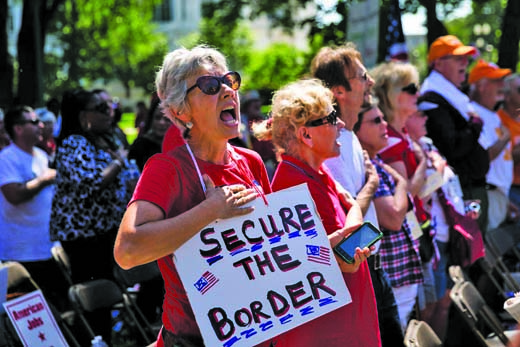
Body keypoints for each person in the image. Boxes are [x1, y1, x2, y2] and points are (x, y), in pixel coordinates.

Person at [114, 46, 272, 347]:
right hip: (194, 338)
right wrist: (210, 210)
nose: (227, 91)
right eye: (210, 86)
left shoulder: (251, 161)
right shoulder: (166, 168)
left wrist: (332, 252)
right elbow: (127, 250)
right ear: (179, 111)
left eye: (229, 81)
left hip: (260, 331)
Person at [253, 78, 380, 347]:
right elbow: (347, 254)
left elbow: (345, 246)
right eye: (331, 117)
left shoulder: (316, 173)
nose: (342, 125)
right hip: (327, 334)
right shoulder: (294, 187)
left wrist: (353, 213)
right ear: (306, 134)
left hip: (344, 324)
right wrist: (356, 206)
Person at [310, 43, 403, 346]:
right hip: (354, 273)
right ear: (339, 91)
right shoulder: (332, 146)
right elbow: (345, 219)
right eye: (362, 77)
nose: (371, 83)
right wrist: (371, 186)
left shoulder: (347, 137)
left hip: (372, 267)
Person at [50, 89, 138, 344]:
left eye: (109, 105)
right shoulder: (73, 143)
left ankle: (105, 340)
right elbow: (90, 183)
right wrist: (119, 162)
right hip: (83, 236)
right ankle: (95, 341)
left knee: (105, 297)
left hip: (104, 231)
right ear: (83, 116)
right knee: (93, 301)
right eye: (100, 108)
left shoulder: (102, 139)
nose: (108, 112)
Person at [371, 61, 436, 318]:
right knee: (413, 313)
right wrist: (423, 162)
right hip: (406, 229)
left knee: (423, 307)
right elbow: (408, 190)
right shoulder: (392, 139)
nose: (418, 94)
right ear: (395, 95)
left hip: (417, 225)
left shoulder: (401, 134)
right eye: (412, 88)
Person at [354, 101, 424, 333]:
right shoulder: (366, 169)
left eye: (383, 118)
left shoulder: (377, 162)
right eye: (375, 121)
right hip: (393, 273)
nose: (385, 125)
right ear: (356, 130)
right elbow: (393, 217)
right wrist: (402, 183)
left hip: (401, 272)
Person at [419, 35, 490, 236]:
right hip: (460, 190)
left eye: (466, 59)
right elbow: (452, 147)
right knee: (467, 257)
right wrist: (475, 125)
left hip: (468, 188)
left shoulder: (448, 93)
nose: (465, 64)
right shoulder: (431, 97)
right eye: (458, 59)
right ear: (438, 63)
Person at [0, 105, 67, 311]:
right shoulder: (6, 158)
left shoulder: (40, 155)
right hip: (21, 252)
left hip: (47, 247)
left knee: (61, 307)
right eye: (34, 121)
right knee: (31, 313)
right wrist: (44, 179)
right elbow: (14, 195)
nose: (41, 125)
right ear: (18, 129)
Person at [468, 60, 517, 230]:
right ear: (481, 86)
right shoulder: (473, 113)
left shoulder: (492, 115)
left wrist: (503, 198)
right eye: (496, 81)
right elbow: (483, 157)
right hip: (485, 194)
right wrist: (505, 139)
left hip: (497, 194)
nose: (503, 86)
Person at [128, 94, 172, 171]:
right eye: (157, 118)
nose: (162, 123)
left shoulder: (182, 148)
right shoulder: (140, 145)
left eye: (167, 119)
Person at [498, 74, 520, 209]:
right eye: (519, 90)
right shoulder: (497, 120)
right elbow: (504, 158)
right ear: (506, 96)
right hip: (510, 188)